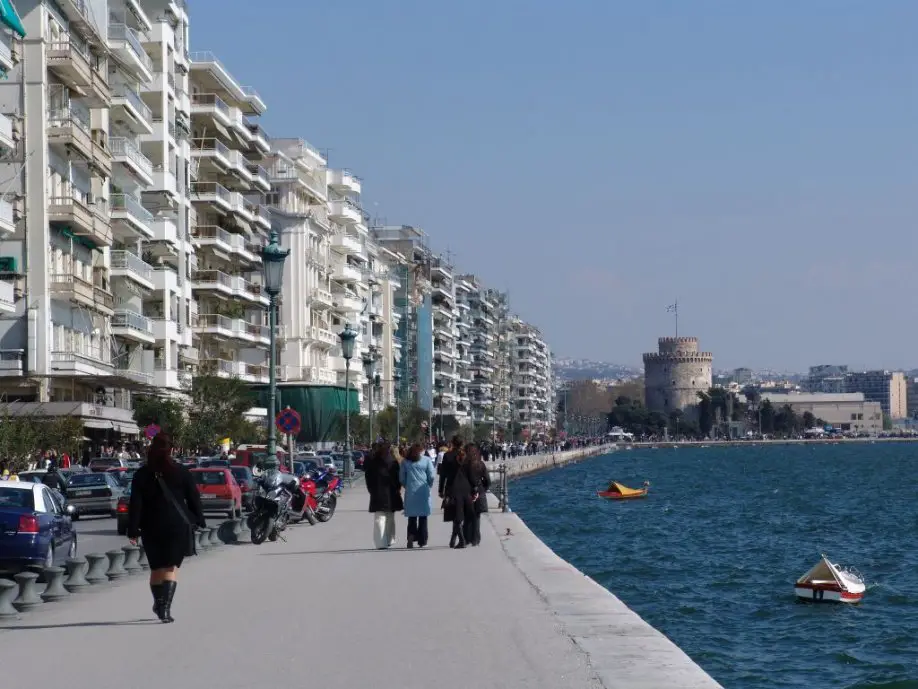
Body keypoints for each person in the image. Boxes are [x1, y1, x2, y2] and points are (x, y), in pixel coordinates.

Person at [127, 433, 206, 623]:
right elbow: (194, 498)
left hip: (151, 527)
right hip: (176, 526)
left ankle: (159, 603)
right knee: (170, 567)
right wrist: (199, 519)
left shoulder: (141, 474)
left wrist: (133, 529)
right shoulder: (181, 472)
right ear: (171, 450)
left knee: (156, 568)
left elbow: (135, 504)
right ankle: (164, 609)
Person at [364, 441, 403, 549]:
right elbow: (398, 479)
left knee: (381, 518)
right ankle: (388, 539)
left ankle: (382, 542)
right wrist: (398, 488)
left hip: (380, 493)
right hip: (390, 494)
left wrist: (371, 490)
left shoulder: (373, 463)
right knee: (388, 518)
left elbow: (368, 478)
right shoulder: (393, 463)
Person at [438, 435, 474, 549]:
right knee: (458, 515)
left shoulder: (447, 456)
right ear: (462, 443)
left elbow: (443, 474)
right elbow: (471, 474)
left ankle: (462, 540)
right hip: (465, 488)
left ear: (452, 443)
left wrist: (441, 489)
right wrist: (474, 488)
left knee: (455, 515)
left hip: (452, 488)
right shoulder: (467, 456)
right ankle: (453, 539)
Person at [399, 443, 435, 548]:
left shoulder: (405, 462)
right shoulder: (426, 460)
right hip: (423, 491)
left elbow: (401, 478)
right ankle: (422, 541)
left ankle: (411, 536)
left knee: (412, 517)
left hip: (411, 491)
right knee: (423, 517)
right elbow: (431, 476)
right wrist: (429, 484)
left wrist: (407, 485)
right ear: (421, 451)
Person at [464, 444, 490, 546]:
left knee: (467, 516)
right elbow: (487, 480)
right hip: (479, 491)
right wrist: (483, 489)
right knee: (477, 516)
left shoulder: (464, 465)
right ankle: (475, 539)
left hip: (467, 492)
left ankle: (467, 538)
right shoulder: (481, 464)